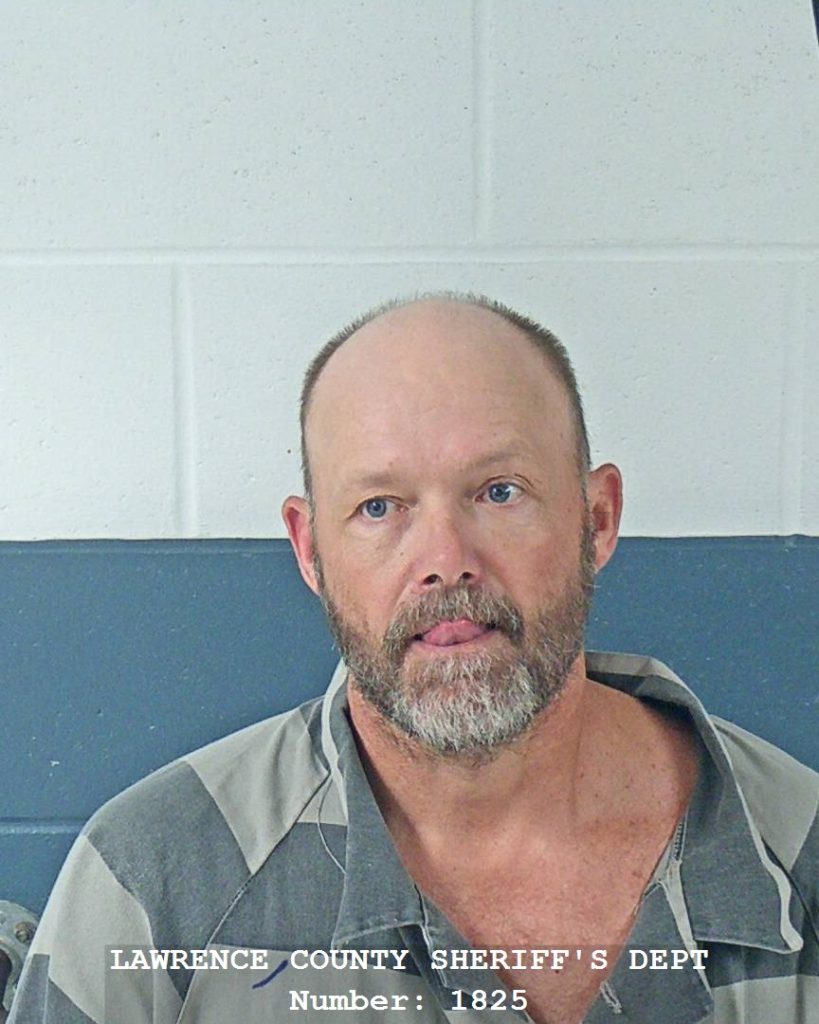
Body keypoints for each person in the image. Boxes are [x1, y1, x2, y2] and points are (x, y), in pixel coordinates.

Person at [10, 294, 818, 1024]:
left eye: (498, 491)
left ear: (596, 518)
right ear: (309, 550)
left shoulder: (800, 850)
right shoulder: (153, 881)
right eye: (379, 507)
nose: (444, 561)